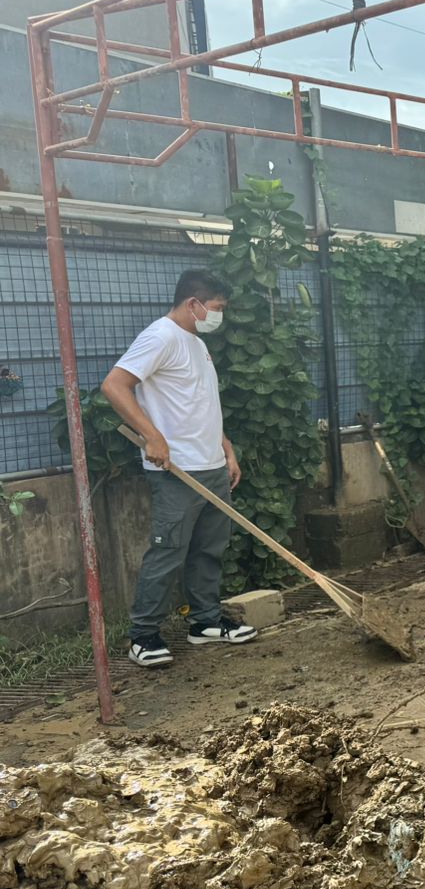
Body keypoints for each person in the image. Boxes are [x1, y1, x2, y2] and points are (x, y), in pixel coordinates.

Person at [102, 269, 257, 667]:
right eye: (217, 308)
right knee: (168, 551)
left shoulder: (195, 343)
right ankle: (143, 636)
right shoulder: (161, 336)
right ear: (194, 304)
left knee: (209, 548)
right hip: (178, 471)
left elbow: (199, 402)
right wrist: (152, 436)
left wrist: (225, 447)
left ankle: (204, 622)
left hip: (211, 465)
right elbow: (115, 385)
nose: (218, 316)